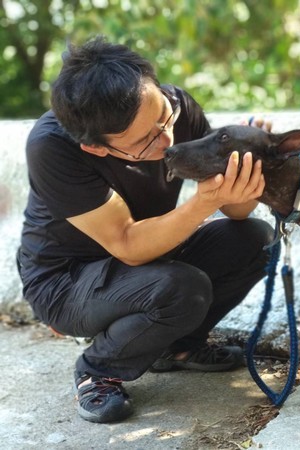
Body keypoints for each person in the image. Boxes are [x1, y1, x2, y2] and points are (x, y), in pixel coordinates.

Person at [16, 36, 274, 424]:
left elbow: (237, 209)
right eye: (146, 141)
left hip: (153, 260)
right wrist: (203, 202)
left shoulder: (178, 108)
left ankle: (179, 348)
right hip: (66, 283)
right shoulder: (53, 146)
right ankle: (97, 369)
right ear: (97, 149)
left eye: (164, 117)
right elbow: (127, 243)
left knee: (255, 239)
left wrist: (246, 165)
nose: (167, 139)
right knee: (181, 287)